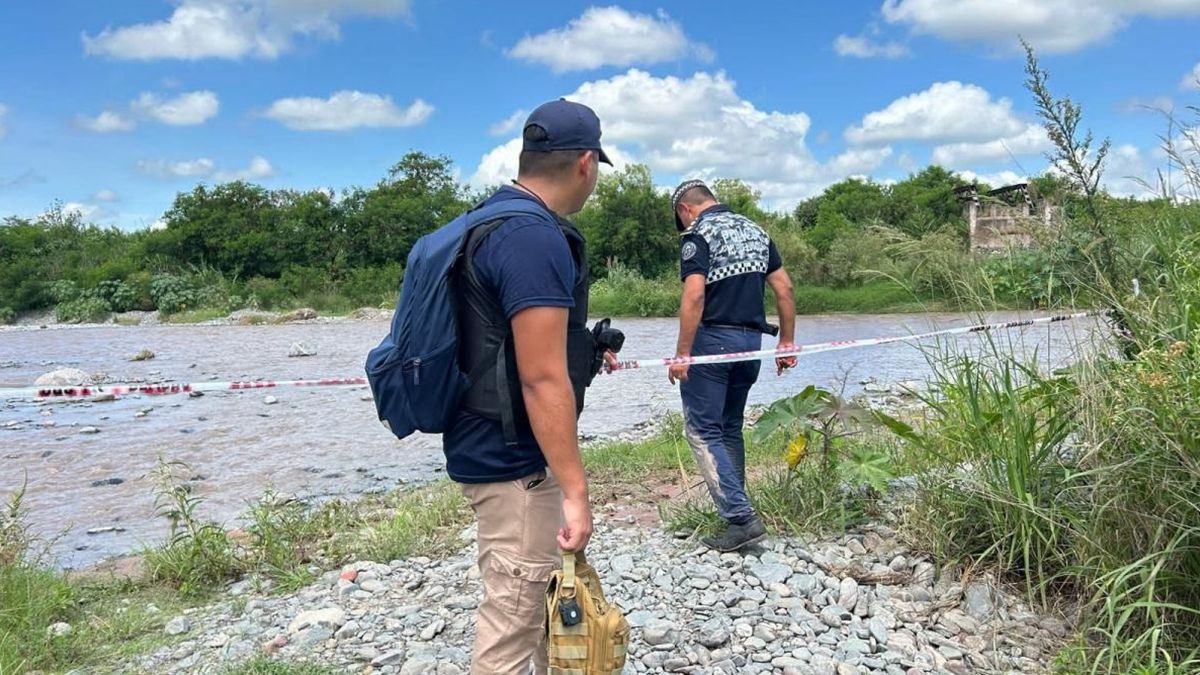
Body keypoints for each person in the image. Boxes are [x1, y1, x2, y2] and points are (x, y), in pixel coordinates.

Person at [444, 99, 614, 675]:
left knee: (527, 604)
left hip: (483, 440)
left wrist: (586, 352)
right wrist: (576, 490)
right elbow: (541, 378)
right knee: (513, 624)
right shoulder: (531, 237)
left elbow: (506, 343)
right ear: (586, 163)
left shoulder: (489, 219)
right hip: (514, 460)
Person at [667, 179, 797, 552]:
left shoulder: (698, 234)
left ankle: (740, 519)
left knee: (702, 431)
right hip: (750, 344)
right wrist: (786, 342)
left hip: (711, 343)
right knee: (728, 428)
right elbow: (784, 289)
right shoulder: (756, 231)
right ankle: (739, 512)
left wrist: (683, 353)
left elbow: (694, 294)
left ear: (685, 210)